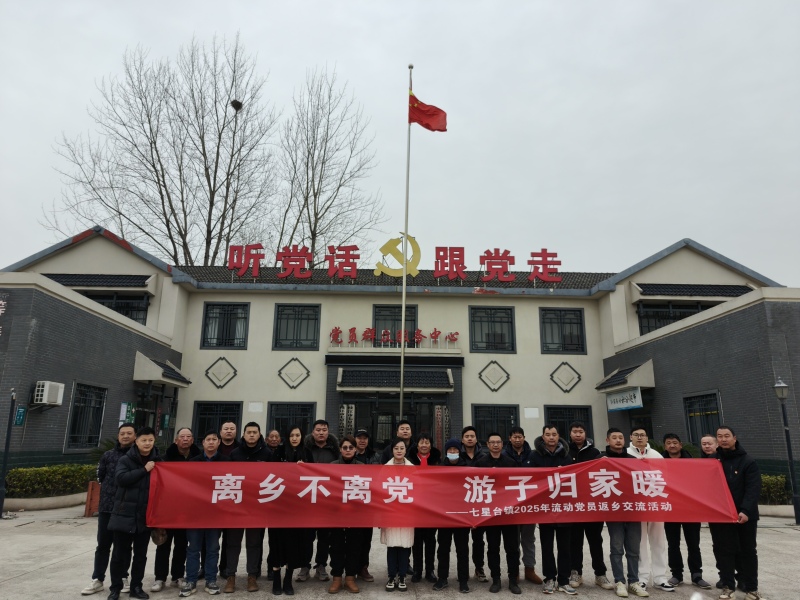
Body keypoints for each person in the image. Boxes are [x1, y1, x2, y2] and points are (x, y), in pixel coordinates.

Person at [107, 426, 162, 600]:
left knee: (140, 555)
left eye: (150, 440)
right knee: (119, 555)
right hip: (124, 514)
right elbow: (121, 479)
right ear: (136, 441)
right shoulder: (126, 459)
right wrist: (144, 469)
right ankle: (115, 588)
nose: (147, 443)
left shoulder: (159, 461)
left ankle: (136, 587)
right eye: (143, 440)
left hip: (144, 517)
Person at [82, 423, 136, 596]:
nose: (125, 436)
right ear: (118, 436)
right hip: (107, 507)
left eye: (129, 433)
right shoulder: (108, 455)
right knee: (103, 545)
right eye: (122, 433)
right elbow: (101, 477)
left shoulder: (137, 456)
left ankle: (123, 576)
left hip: (126, 509)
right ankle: (98, 579)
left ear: (135, 436)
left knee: (124, 546)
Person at [709, 426, 762, 600]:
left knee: (748, 551)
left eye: (727, 436)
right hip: (721, 515)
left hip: (745, 516)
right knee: (724, 551)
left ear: (734, 438)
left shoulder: (748, 461)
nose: (723, 439)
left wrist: (745, 510)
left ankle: (752, 589)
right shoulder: (712, 461)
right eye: (720, 436)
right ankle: (727, 587)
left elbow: (753, 488)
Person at [224, 422, 273, 593]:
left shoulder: (267, 454)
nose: (251, 435)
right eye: (249, 432)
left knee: (254, 543)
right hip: (237, 506)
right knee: (233, 543)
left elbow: (273, 477)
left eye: (255, 432)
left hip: (256, 507)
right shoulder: (235, 453)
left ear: (259, 434)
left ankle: (252, 576)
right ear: (243, 434)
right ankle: (231, 576)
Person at [180, 430, 229, 596]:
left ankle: (211, 580)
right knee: (193, 548)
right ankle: (191, 581)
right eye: (208, 439)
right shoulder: (193, 462)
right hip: (196, 514)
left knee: (213, 548)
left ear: (219, 443)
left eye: (214, 439)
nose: (211, 442)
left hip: (216, 513)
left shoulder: (226, 462)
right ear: (203, 443)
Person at [660, 433, 711, 589]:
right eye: (669, 443)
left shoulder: (693, 463)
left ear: (680, 445)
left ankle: (697, 575)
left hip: (691, 509)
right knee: (673, 544)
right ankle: (676, 574)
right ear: (665, 446)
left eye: (675, 442)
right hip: (670, 509)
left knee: (693, 544)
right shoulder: (658, 463)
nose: (672, 445)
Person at [152, 427, 200, 592]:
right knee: (163, 544)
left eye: (188, 436)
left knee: (181, 544)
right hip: (167, 508)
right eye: (182, 436)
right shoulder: (164, 459)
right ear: (176, 440)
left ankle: (178, 576)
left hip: (187, 509)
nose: (185, 439)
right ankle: (159, 578)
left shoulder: (198, 458)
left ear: (192, 440)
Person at [567, 421, 614, 591]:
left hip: (592, 505)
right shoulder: (565, 452)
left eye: (580, 431)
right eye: (575, 431)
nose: (578, 434)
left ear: (585, 433)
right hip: (574, 505)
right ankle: (576, 573)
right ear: (570, 434)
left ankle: (600, 574)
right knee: (575, 541)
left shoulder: (595, 453)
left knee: (595, 541)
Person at [627, 427, 674, 592]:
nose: (639, 438)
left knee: (658, 541)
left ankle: (660, 578)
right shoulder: (626, 455)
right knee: (639, 542)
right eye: (636, 435)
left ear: (647, 438)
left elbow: (666, 478)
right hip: (636, 505)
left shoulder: (656, 455)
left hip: (655, 503)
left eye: (642, 435)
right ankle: (642, 577)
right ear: (631, 437)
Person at [602, 428, 649, 598]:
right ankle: (619, 581)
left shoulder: (633, 460)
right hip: (614, 511)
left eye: (620, 437)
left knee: (633, 549)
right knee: (616, 548)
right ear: (608, 440)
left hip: (632, 510)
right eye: (614, 438)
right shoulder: (601, 460)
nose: (618, 440)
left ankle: (634, 582)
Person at [530, 424, 575, 595]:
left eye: (554, 434)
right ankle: (549, 578)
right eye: (548, 434)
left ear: (558, 436)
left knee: (565, 547)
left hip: (564, 508)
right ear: (543, 437)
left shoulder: (567, 456)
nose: (551, 437)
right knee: (547, 547)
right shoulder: (535, 456)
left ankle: (564, 580)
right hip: (545, 508)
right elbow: (530, 478)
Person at [475, 432, 521, 594]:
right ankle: (496, 579)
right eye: (492, 442)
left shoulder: (511, 463)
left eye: (498, 442)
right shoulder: (480, 463)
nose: (495, 445)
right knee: (493, 547)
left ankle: (513, 580)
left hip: (509, 513)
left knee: (512, 548)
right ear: (487, 445)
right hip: (491, 514)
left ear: (502, 444)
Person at [502, 426, 543, 586]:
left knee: (528, 539)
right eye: (514, 437)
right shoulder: (504, 456)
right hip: (510, 505)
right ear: (510, 439)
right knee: (513, 541)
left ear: (524, 438)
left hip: (528, 504)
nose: (517, 439)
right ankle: (515, 571)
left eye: (520, 437)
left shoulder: (533, 455)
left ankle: (529, 569)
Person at [327, 435, 368, 593]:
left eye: (351, 447)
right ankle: (337, 578)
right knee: (336, 547)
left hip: (356, 515)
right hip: (336, 514)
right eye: (345, 447)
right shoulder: (332, 466)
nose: (348, 450)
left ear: (356, 449)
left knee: (354, 547)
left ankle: (350, 577)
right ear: (340, 449)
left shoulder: (363, 467)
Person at [303, 419, 340, 582]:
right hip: (308, 500)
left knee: (324, 538)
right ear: (313, 432)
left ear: (328, 432)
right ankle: (304, 565)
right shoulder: (305, 449)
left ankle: (321, 565)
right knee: (307, 536)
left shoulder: (335, 450)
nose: (321, 432)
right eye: (318, 430)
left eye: (324, 430)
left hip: (327, 501)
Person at [271, 425, 306, 594]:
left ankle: (288, 579)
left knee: (292, 544)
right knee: (276, 543)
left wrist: (305, 468)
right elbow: (269, 475)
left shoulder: (306, 453)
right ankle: (276, 578)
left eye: (297, 435)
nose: (294, 438)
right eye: (292, 435)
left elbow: (315, 478)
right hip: (277, 506)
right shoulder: (278, 452)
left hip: (297, 508)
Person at [433, 439, 470, 593]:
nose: (453, 452)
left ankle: (463, 580)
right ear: (446, 452)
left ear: (460, 451)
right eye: (450, 450)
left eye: (455, 450)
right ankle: (442, 578)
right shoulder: (440, 469)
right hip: (444, 517)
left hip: (462, 516)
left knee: (462, 550)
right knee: (443, 549)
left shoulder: (467, 469)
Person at [381, 438, 415, 592]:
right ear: (392, 450)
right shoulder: (385, 469)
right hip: (390, 513)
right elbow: (379, 492)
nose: (399, 451)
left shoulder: (413, 469)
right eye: (396, 448)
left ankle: (402, 576)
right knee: (392, 547)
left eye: (402, 448)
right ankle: (391, 576)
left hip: (407, 513)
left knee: (404, 547)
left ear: (406, 450)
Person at [408, 432, 440, 583]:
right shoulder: (410, 460)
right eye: (421, 442)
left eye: (427, 442)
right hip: (415, 506)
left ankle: (430, 570)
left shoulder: (437, 460)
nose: (424, 445)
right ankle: (417, 570)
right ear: (417, 445)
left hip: (432, 507)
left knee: (430, 540)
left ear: (431, 445)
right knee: (417, 540)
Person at [460, 425, 488, 583]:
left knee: (479, 540)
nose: (470, 439)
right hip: (462, 504)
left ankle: (479, 567)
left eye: (472, 436)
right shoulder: (457, 456)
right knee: (462, 540)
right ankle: (463, 571)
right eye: (467, 436)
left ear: (476, 439)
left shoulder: (484, 457)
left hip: (479, 503)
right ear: (462, 439)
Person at [352, 428, 376, 582]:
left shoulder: (374, 456)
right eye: (359, 438)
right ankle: (351, 568)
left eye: (365, 438)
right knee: (352, 539)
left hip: (368, 504)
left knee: (366, 539)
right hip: (351, 503)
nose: (362, 440)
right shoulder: (348, 454)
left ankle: (363, 567)